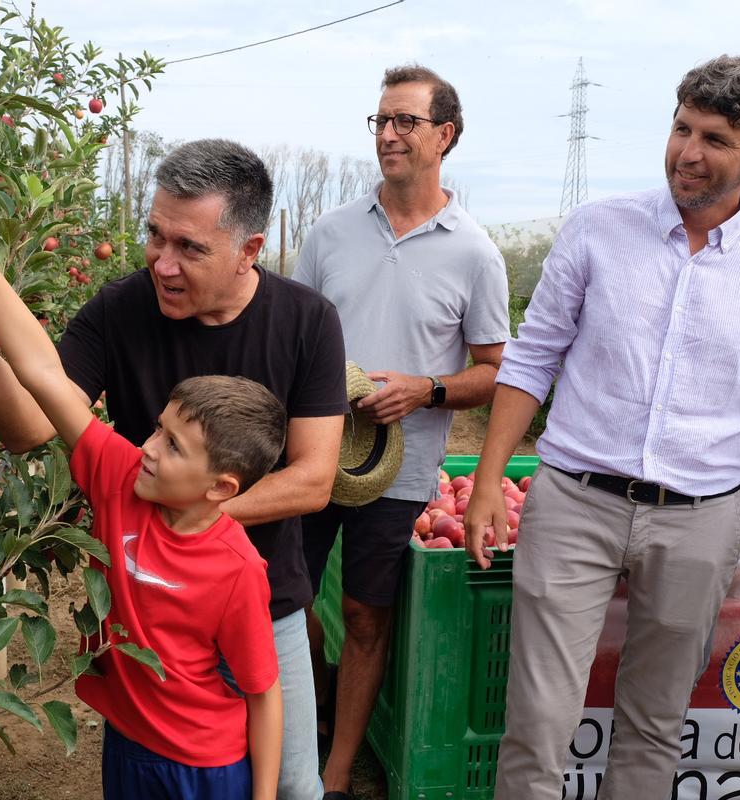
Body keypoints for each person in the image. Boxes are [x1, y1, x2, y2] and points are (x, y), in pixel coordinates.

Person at [0, 139, 346, 800]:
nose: (162, 264)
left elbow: (313, 479)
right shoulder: (123, 308)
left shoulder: (307, 321)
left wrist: (178, 525)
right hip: (146, 619)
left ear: (249, 250)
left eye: (190, 248)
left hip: (262, 602)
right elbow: (32, 415)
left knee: (289, 785)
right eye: (154, 236)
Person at [464, 54, 740, 800]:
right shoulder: (599, 230)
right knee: (537, 721)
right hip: (575, 501)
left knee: (655, 725)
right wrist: (488, 481)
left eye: (716, 139)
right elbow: (531, 361)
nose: (688, 152)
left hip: (700, 520)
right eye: (682, 127)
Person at [294, 64, 509, 799]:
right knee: (284, 601)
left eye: (405, 122)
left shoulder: (474, 252)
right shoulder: (330, 234)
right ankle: (308, 713)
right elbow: (294, 340)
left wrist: (427, 390)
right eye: (380, 121)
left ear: (444, 135)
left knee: (364, 613)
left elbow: (494, 371)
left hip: (403, 465)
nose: (387, 134)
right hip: (316, 453)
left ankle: (333, 769)